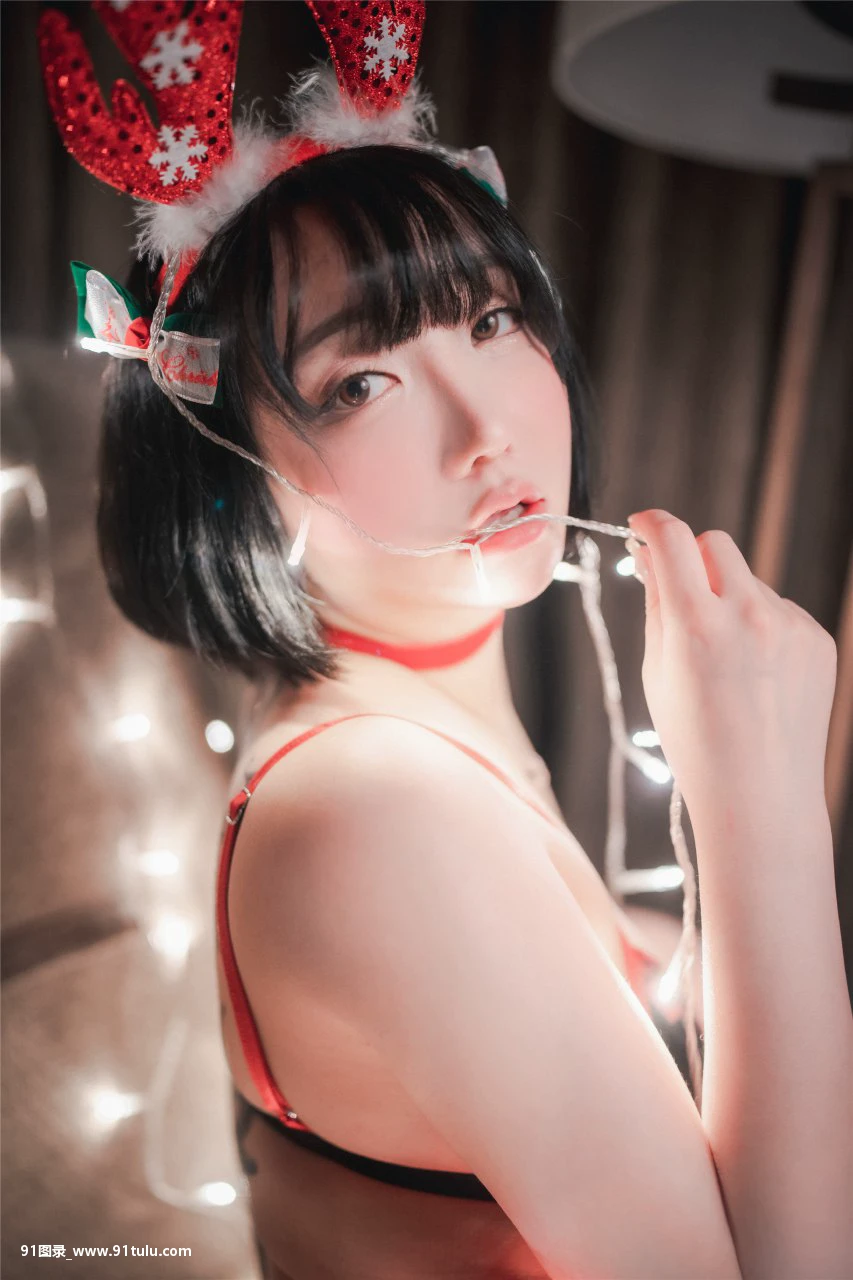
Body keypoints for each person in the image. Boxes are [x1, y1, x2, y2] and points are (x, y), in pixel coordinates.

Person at [43, 4, 851, 1277]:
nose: (488, 432)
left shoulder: (413, 726)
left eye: (488, 321)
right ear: (229, 478)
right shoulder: (373, 808)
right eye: (360, 382)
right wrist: (761, 798)